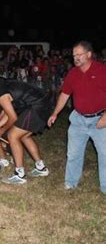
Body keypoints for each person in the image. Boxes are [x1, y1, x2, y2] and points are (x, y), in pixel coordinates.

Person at [48, 41, 106, 194]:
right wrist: (55, 113)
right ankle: (71, 183)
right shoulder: (73, 73)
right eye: (74, 55)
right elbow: (65, 94)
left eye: (79, 55)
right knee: (73, 154)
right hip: (78, 120)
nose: (76, 58)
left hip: (99, 119)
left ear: (88, 54)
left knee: (105, 154)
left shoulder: (101, 70)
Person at [0, 77, 50, 184]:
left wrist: (2, 130)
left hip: (37, 106)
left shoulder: (1, 94)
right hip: (42, 104)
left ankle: (20, 175)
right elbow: (8, 115)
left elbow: (13, 118)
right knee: (24, 136)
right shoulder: (3, 88)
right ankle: (41, 168)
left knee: (12, 135)